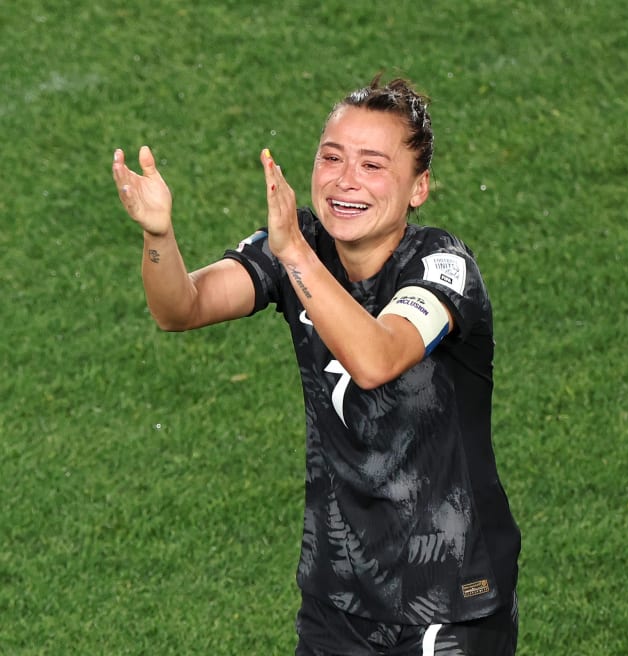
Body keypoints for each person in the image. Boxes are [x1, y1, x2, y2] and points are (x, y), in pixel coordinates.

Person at [112, 74, 520, 655]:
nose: (345, 180)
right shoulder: (299, 243)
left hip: (448, 599)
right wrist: (160, 234)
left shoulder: (442, 267)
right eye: (332, 157)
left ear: (419, 187)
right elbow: (182, 307)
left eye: (373, 166)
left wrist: (295, 255)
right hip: (338, 597)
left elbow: (376, 357)